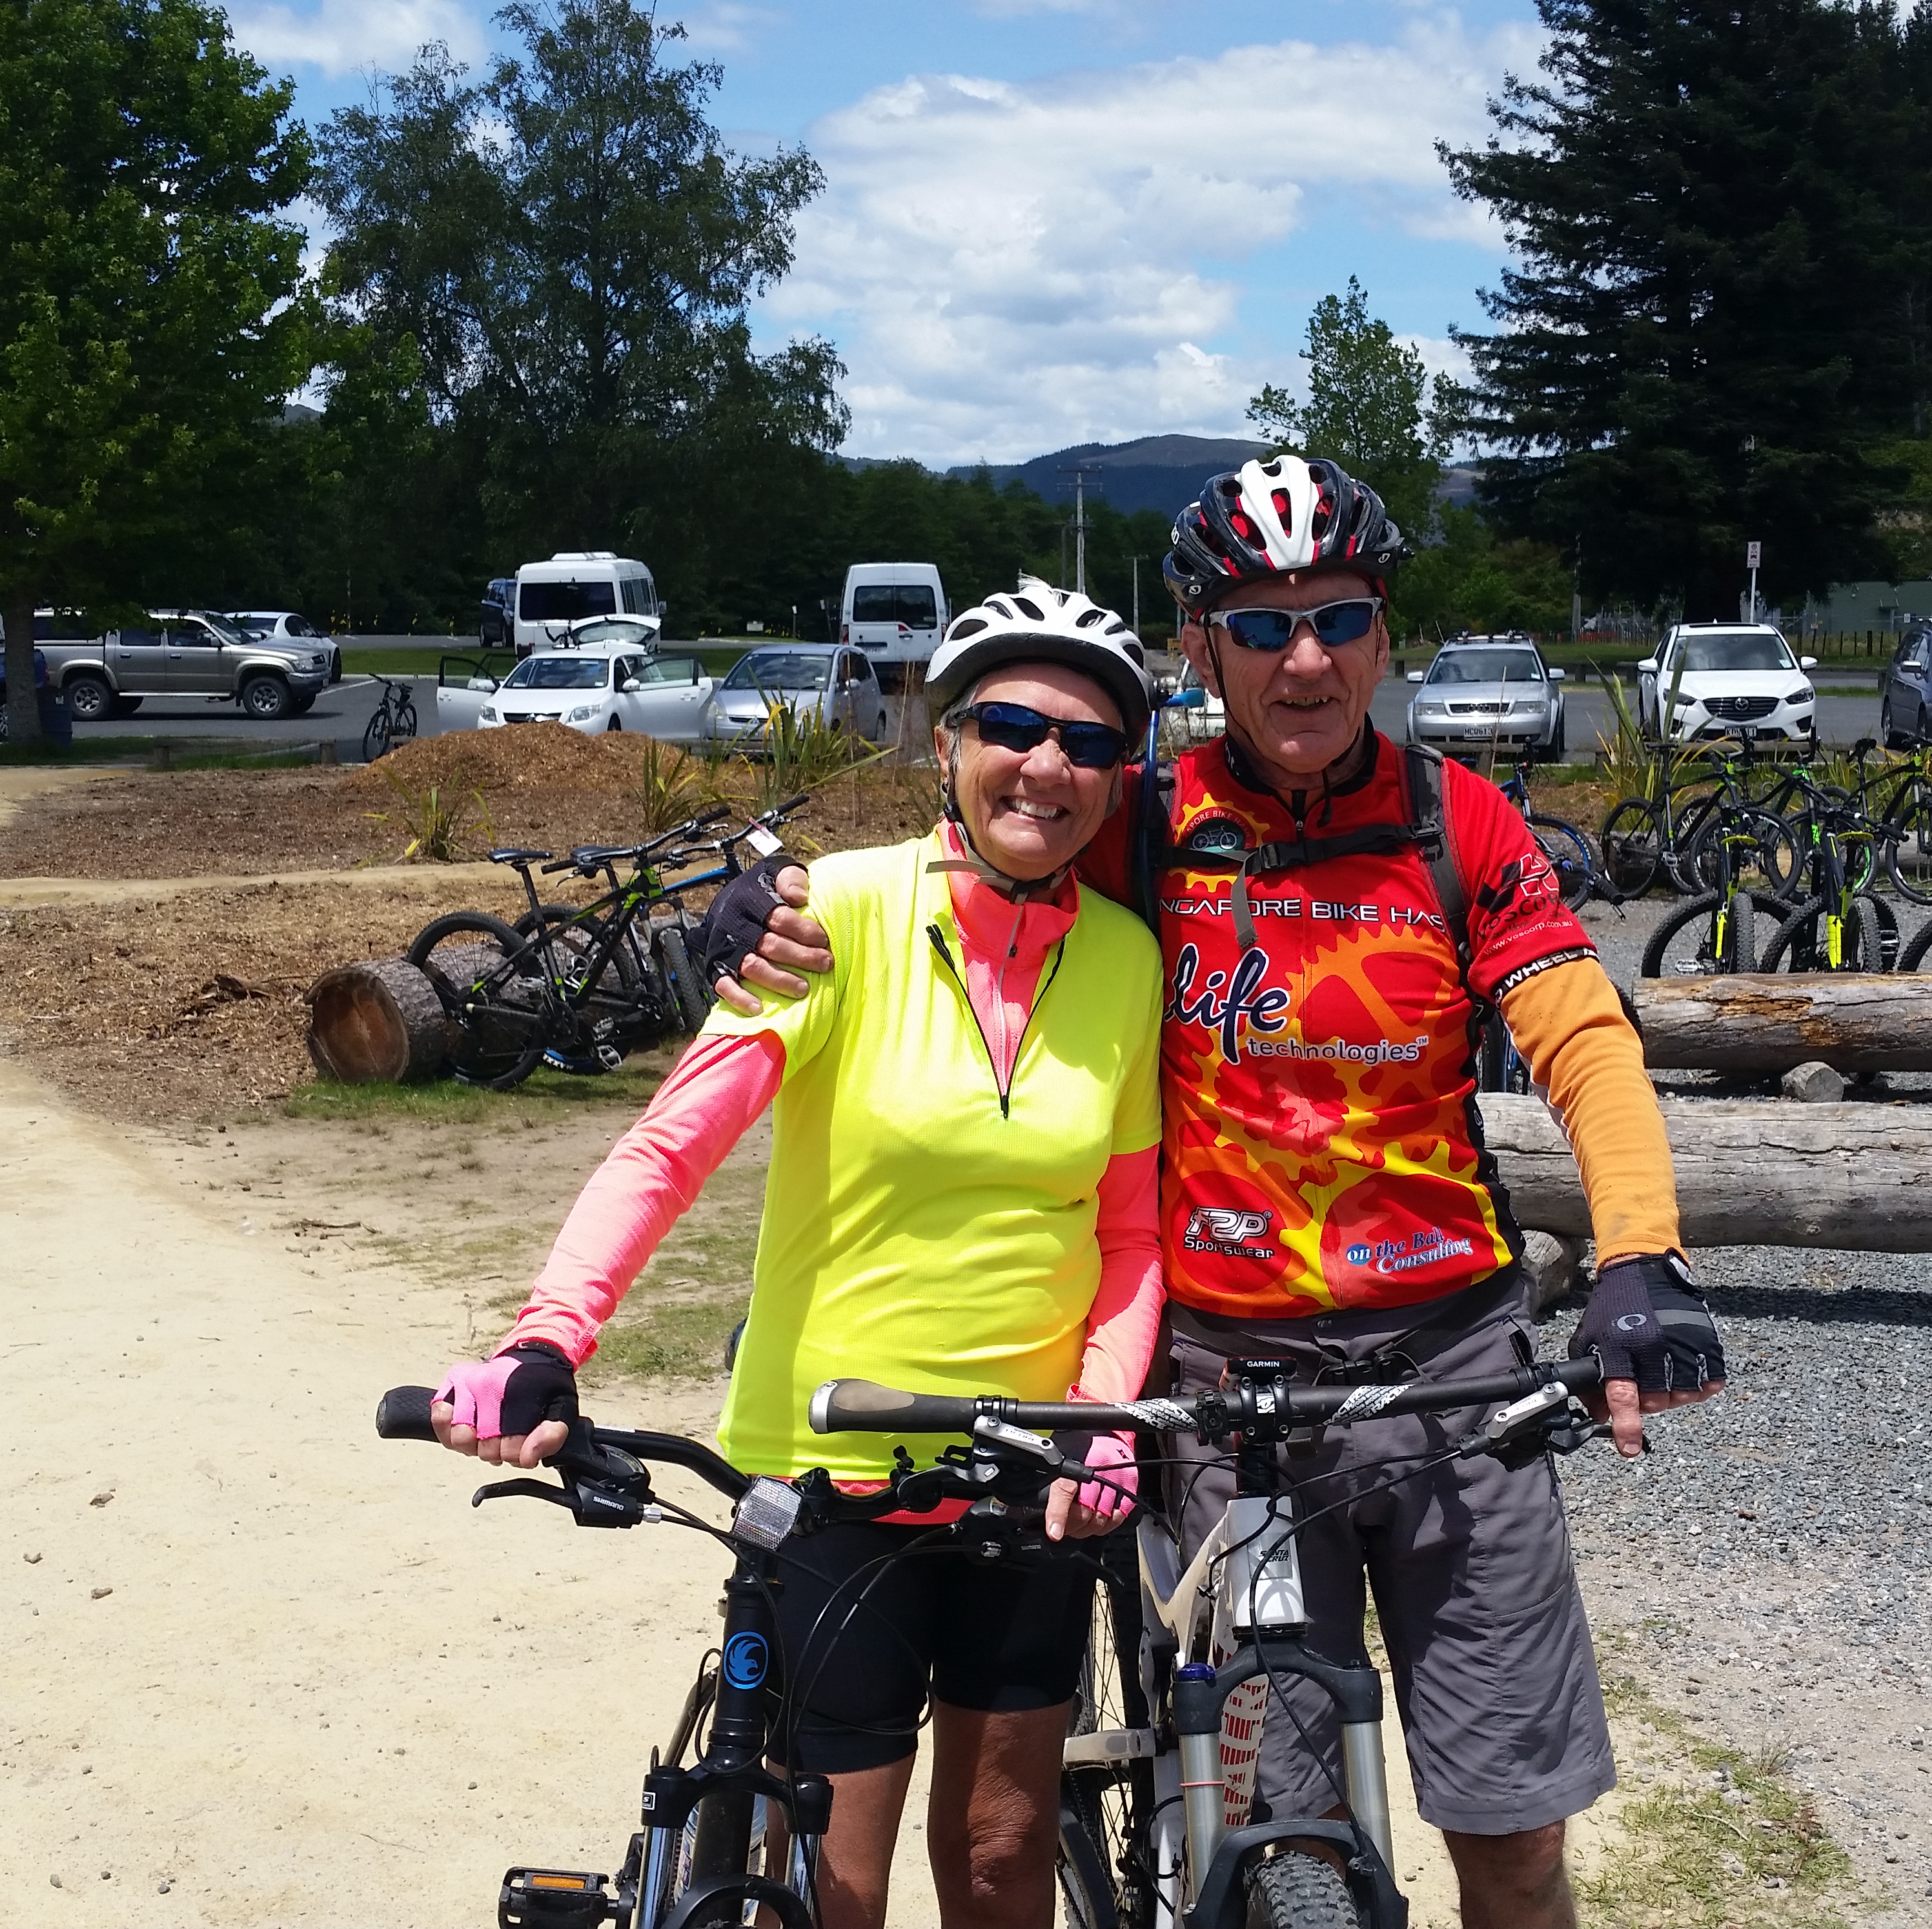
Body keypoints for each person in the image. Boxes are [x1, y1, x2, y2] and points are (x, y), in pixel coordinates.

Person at [705, 456, 1724, 1929]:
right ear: (1200, 645)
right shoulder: (1141, 823)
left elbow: (1579, 1036)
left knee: (1513, 1837)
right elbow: (980, 834)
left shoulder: (1460, 826)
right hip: (1229, 1394)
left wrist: (1639, 1256)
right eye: (1259, 625)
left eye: (1337, 617)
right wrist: (771, 898)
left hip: (1451, 1372)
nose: (1302, 659)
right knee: (1272, 1831)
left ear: (1382, 633)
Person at [418, 580, 1170, 1929]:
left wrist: (1106, 1415)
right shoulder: (836, 918)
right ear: (944, 743)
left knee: (1003, 1860)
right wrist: (548, 1338)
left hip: (1034, 1468)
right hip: (835, 1464)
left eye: (1091, 741)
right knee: (834, 1886)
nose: (1047, 765)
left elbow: (1124, 1232)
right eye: (1009, 723)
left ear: (1120, 777)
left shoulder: (1123, 958)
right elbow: (666, 1152)